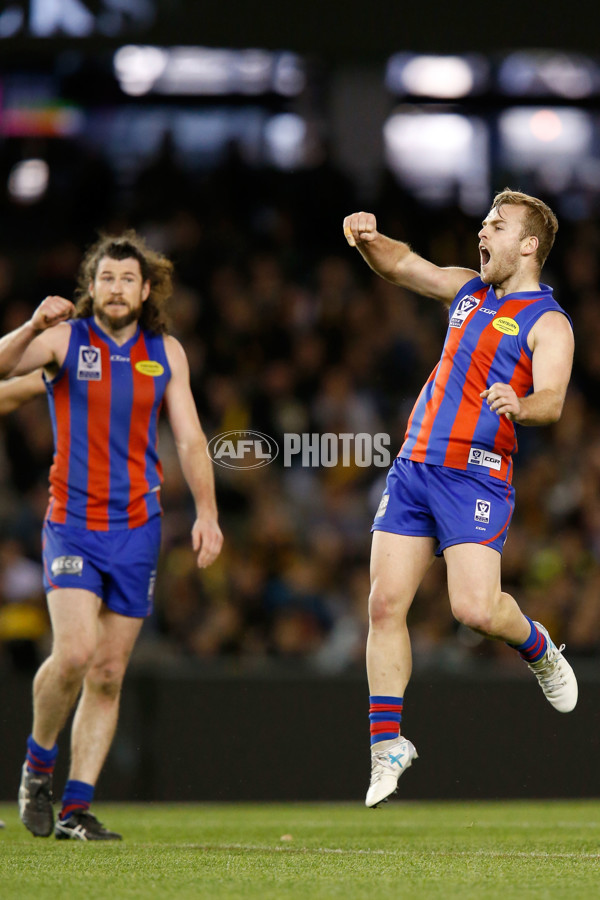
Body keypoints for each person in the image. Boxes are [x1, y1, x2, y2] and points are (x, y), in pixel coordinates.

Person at [343, 189, 578, 808]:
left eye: (497, 226)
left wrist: (519, 405)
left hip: (475, 476)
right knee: (383, 605)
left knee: (474, 610)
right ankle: (387, 743)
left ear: (529, 245)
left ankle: (537, 646)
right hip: (415, 467)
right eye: (483, 223)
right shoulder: (468, 290)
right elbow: (402, 265)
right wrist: (369, 238)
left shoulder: (548, 323)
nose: (483, 232)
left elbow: (552, 400)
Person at [0, 231, 223, 840]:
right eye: (106, 278)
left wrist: (207, 511)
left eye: (128, 279)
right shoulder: (65, 339)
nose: (116, 288)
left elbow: (189, 438)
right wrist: (28, 326)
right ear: (90, 287)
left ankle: (74, 809)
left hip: (137, 531)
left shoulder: (165, 351)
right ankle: (37, 767)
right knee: (72, 653)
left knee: (107, 672)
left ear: (146, 289)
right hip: (72, 526)